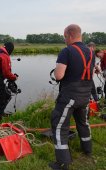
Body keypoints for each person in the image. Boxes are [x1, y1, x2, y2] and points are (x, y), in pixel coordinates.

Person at [49, 24, 95, 170]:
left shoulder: (66, 51)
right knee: (83, 123)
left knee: (59, 126)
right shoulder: (91, 52)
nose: (64, 40)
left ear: (69, 35)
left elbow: (58, 75)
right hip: (85, 96)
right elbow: (90, 74)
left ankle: (63, 163)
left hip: (69, 96)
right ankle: (87, 150)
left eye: (64, 37)